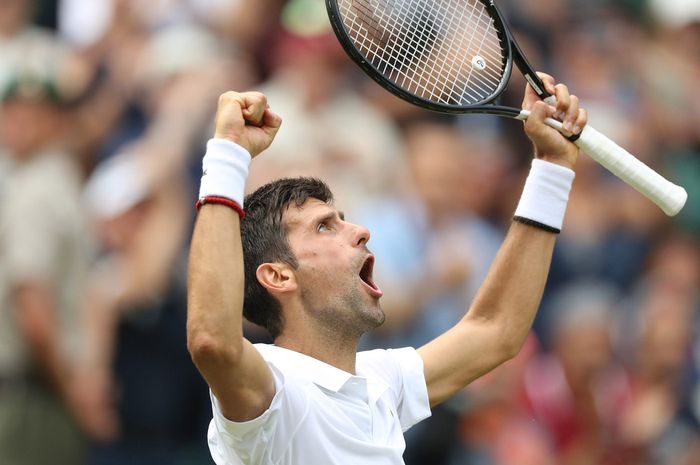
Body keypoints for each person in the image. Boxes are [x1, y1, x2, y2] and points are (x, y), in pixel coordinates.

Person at [186, 74, 588, 464]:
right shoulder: (273, 385)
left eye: (343, 219)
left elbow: (495, 330)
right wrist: (228, 151)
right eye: (325, 227)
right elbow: (211, 341)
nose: (361, 231)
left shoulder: (381, 381)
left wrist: (552, 167)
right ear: (279, 276)